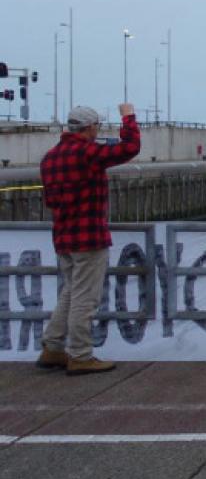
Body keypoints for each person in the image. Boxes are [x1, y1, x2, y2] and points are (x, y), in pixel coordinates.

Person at [37, 104, 141, 375]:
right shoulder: (87, 152)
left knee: (71, 292)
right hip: (89, 236)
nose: (97, 130)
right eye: (97, 125)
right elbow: (129, 148)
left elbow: (50, 200)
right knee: (85, 298)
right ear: (89, 127)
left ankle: (52, 347)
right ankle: (80, 355)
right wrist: (128, 118)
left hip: (63, 235)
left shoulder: (49, 158)